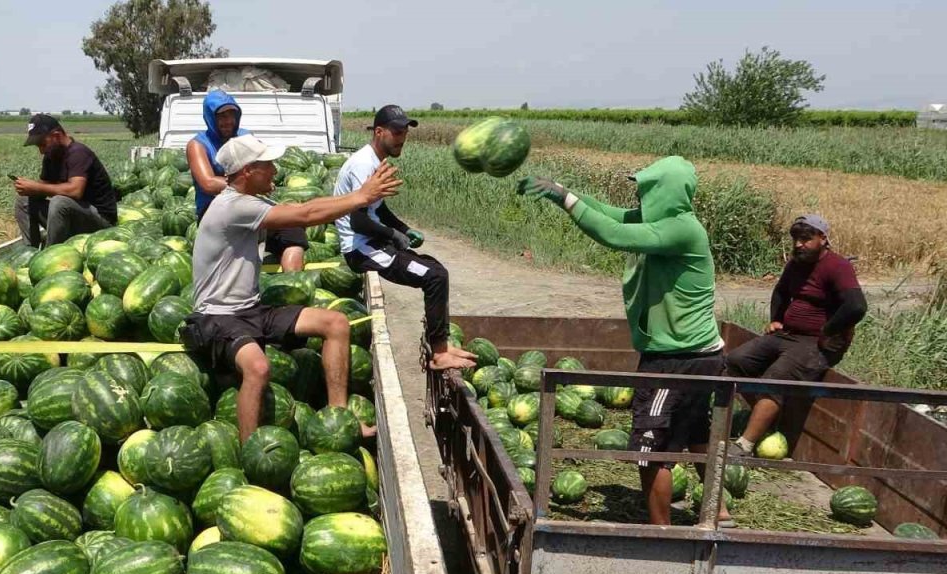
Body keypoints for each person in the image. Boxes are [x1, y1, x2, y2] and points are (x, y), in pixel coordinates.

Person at [519, 156, 732, 527]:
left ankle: (659, 534)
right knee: (696, 432)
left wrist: (564, 199)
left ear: (666, 190)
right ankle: (719, 509)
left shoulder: (682, 230)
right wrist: (563, 193)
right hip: (699, 355)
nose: (639, 194)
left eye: (646, 187)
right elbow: (612, 215)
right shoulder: (664, 222)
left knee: (651, 452)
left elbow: (613, 234)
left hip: (677, 360)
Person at [182, 134, 402, 442]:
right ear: (247, 171)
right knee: (258, 368)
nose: (275, 169)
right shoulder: (233, 207)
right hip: (217, 317)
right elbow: (305, 216)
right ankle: (251, 450)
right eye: (268, 164)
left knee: (336, 323)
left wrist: (357, 196)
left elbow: (306, 206)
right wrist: (362, 197)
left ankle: (338, 418)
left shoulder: (250, 202)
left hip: (250, 309)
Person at [333, 105, 476, 370]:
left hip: (373, 243)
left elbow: (378, 208)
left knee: (435, 268)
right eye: (397, 132)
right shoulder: (364, 165)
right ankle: (439, 353)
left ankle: (441, 344)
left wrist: (403, 228)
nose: (402, 138)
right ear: (379, 132)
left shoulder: (375, 160)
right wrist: (392, 235)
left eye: (405, 132)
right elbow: (359, 220)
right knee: (433, 277)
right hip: (361, 249)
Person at [725, 215, 867, 456]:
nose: (799, 244)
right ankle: (765, 419)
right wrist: (776, 319)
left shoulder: (837, 266)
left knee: (776, 378)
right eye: (796, 239)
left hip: (817, 344)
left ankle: (744, 445)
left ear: (823, 239)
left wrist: (828, 331)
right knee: (736, 361)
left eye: (806, 239)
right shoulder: (796, 263)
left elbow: (856, 306)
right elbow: (781, 290)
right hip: (788, 335)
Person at [186, 89, 307, 272]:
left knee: (292, 228)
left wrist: (260, 181)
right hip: (215, 212)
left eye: (232, 115)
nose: (228, 121)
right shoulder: (198, 144)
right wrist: (246, 182)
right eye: (221, 116)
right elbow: (208, 183)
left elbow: (261, 165)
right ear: (210, 117)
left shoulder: (244, 136)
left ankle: (293, 285)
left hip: (249, 205)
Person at [13, 114, 118, 247]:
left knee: (59, 202)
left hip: (101, 222)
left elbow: (75, 191)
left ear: (56, 136)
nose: (41, 151)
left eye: (42, 144)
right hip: (74, 219)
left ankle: (50, 254)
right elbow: (45, 187)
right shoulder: (51, 157)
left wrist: (37, 187)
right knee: (24, 201)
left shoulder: (78, 153)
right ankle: (30, 251)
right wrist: (30, 188)